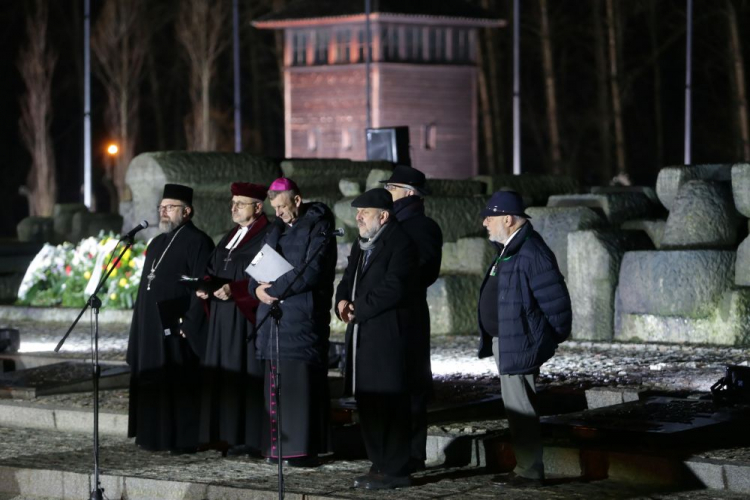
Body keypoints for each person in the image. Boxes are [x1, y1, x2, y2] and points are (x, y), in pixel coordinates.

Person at [477, 190, 572, 486]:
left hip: (519, 342)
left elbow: (557, 306)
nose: (484, 224)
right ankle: (524, 467)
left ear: (507, 219)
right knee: (516, 408)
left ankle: (530, 471)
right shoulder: (511, 248)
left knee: (521, 409)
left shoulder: (530, 251)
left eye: (489, 218)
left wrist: (544, 341)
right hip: (508, 340)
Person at [249, 177, 337, 467]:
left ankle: (301, 450)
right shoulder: (274, 229)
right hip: (274, 319)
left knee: (299, 388)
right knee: (275, 388)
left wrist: (271, 291)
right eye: (274, 208)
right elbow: (257, 269)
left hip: (301, 318)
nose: (279, 213)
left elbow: (310, 271)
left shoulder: (319, 226)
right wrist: (256, 290)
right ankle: (277, 449)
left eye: (282, 207)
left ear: (297, 200)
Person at [335, 188, 419, 490]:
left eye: (364, 212)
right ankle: (378, 463)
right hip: (362, 336)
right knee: (367, 402)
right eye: (358, 212)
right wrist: (341, 303)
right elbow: (347, 280)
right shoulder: (361, 246)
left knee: (390, 404)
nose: (358, 217)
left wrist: (360, 309)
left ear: (383, 216)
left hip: (386, 336)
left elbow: (394, 286)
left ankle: (395, 469)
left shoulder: (401, 243)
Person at [126, 183, 215, 453]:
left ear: (187, 211)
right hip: (149, 326)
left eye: (170, 207)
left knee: (177, 381)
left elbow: (202, 286)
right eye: (161, 208)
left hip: (176, 326)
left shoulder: (199, 241)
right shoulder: (156, 243)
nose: (163, 212)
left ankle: (181, 440)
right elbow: (147, 285)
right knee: (152, 378)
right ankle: (151, 436)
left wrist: (189, 321)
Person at [197, 182, 270, 456]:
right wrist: (205, 285)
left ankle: (248, 439)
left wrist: (235, 289)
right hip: (221, 318)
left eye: (240, 203)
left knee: (244, 375)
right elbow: (212, 267)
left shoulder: (267, 234)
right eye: (233, 203)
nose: (234, 207)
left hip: (244, 318)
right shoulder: (230, 236)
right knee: (223, 376)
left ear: (258, 207)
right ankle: (224, 435)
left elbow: (265, 276)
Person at [381, 164, 442, 472]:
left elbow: (422, 272)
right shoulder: (390, 224)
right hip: (386, 314)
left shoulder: (421, 226)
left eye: (390, 189)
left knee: (411, 386)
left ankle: (412, 454)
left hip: (408, 314)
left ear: (407, 193)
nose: (386, 194)